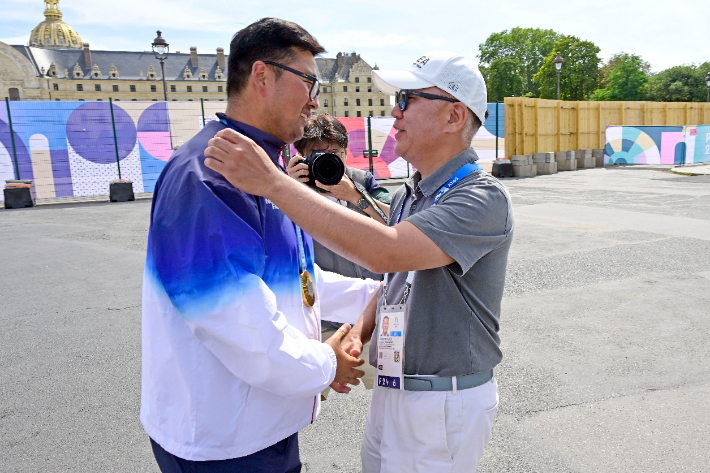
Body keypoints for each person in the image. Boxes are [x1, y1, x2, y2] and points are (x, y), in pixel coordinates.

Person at [205, 50, 513, 472]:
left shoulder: (481, 197)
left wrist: (273, 184)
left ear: (454, 116)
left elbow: (383, 250)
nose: (394, 110)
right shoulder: (412, 193)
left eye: (407, 99)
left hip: (441, 401)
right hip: (396, 389)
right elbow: (394, 279)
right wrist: (358, 335)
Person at [141, 18, 381, 473]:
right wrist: (326, 363)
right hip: (224, 440)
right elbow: (235, 321)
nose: (315, 100)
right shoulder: (210, 174)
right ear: (263, 76)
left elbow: (296, 280)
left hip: (259, 424)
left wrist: (373, 295)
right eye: (308, 81)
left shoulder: (265, 167)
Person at [287, 113, 391, 399]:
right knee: (300, 401)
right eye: (316, 154)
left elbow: (399, 225)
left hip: (372, 318)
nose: (326, 160)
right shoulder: (291, 191)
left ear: (346, 153)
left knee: (392, 396)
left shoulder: (362, 182)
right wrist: (286, 189)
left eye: (334, 153)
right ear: (301, 157)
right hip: (319, 322)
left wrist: (356, 195)